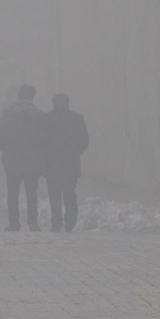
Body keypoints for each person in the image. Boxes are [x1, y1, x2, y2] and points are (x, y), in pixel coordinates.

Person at [0, 84, 44, 231]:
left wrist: (6, 151)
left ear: (19, 96)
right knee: (31, 193)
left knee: (13, 193)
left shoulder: (8, 113)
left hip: (12, 159)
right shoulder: (39, 115)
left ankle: (14, 223)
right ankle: (33, 223)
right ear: (33, 96)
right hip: (32, 160)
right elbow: (44, 138)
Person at [43, 93, 89, 232]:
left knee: (55, 194)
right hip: (70, 163)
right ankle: (70, 222)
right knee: (69, 193)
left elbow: (40, 141)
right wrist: (76, 152)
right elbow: (85, 140)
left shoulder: (46, 119)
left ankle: (57, 223)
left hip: (52, 164)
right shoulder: (77, 119)